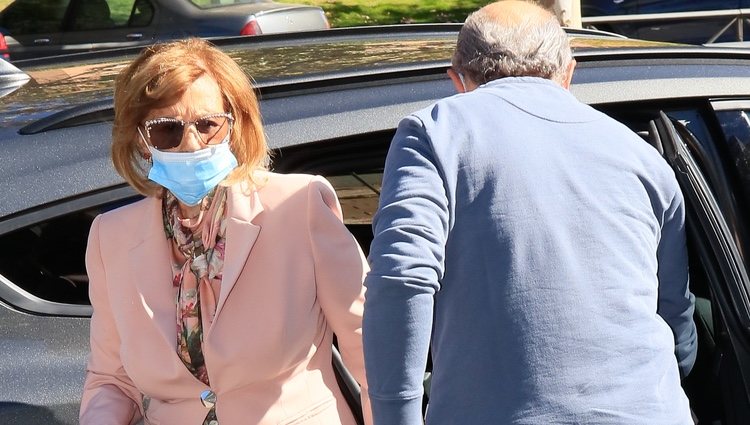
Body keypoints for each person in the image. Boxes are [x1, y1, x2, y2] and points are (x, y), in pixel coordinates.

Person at [363, 1, 697, 424]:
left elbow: (402, 278)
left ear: (458, 80)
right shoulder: (644, 158)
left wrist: (397, 416)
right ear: (569, 73)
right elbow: (674, 316)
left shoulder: (436, 133)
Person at [80, 38, 372, 425]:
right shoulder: (111, 236)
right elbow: (111, 380)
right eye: (167, 130)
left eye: (207, 125)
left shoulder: (299, 205)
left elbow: (372, 349)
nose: (191, 143)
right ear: (141, 140)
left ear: (233, 125)